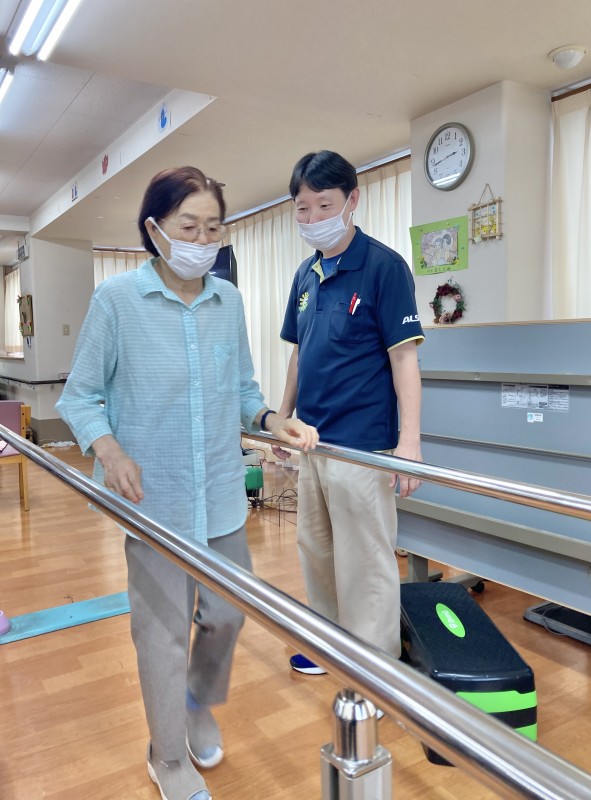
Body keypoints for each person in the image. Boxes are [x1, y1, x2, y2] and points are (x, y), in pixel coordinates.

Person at [56, 166, 318, 800]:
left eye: (213, 228)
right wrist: (110, 450)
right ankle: (167, 754)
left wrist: (271, 420)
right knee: (162, 634)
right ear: (154, 229)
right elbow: (79, 396)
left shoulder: (228, 302)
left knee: (227, 615)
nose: (202, 240)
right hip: (155, 501)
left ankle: (197, 700)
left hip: (221, 494)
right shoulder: (117, 301)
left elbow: (243, 391)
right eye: (188, 226)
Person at [275, 150, 424, 676]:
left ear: (352, 200)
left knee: (365, 561)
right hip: (311, 440)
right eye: (303, 209)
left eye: (324, 205)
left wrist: (409, 444)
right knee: (317, 550)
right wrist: (282, 417)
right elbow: (299, 352)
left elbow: (404, 359)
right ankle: (330, 645)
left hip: (363, 444)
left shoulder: (384, 267)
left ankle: (376, 669)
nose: (313, 218)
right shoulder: (306, 274)